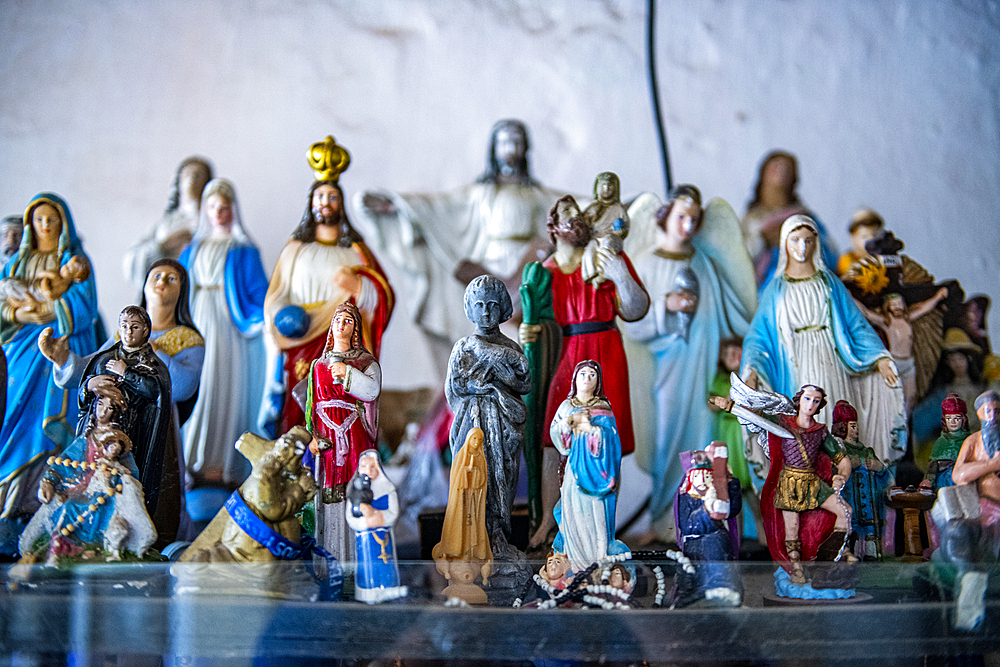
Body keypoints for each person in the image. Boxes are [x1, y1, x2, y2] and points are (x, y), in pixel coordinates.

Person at [355, 119, 561, 374]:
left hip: (525, 271)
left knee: (525, 338)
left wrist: (614, 205)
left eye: (517, 141)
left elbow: (572, 207)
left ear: (526, 147)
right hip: (489, 268)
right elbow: (441, 208)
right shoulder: (480, 193)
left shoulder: (537, 195)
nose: (511, 148)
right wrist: (400, 207)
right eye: (505, 142)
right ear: (494, 149)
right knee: (482, 337)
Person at [623, 185, 755, 541]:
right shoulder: (648, 263)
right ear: (665, 217)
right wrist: (666, 308)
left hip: (702, 362)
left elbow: (723, 310)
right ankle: (662, 518)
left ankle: (700, 518)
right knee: (667, 435)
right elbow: (631, 323)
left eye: (694, 219)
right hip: (668, 363)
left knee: (706, 439)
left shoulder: (702, 263)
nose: (687, 226)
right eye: (681, 217)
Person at [521, 195, 648, 547]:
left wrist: (620, 274)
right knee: (553, 437)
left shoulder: (604, 260)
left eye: (580, 214)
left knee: (607, 436)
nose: (576, 220)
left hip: (605, 348)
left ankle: (605, 521)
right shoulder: (544, 273)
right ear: (554, 226)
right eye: (567, 215)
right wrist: (527, 332)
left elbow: (636, 308)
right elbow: (528, 314)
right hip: (566, 350)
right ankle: (549, 518)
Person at [741, 214, 906, 465]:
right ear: (785, 243)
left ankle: (843, 478)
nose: (802, 247)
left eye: (808, 240)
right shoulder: (776, 289)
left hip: (831, 359)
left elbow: (855, 325)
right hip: (795, 364)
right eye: (795, 240)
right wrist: (752, 369)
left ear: (816, 243)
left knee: (832, 417)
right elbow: (759, 337)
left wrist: (879, 357)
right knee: (803, 426)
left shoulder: (829, 283)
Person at [263, 146, 393, 434]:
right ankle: (297, 460)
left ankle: (338, 458)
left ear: (341, 204)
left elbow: (383, 296)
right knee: (300, 399)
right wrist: (283, 315)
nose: (326, 202)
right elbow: (277, 293)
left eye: (332, 197)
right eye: (320, 196)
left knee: (338, 401)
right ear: (311, 203)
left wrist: (360, 286)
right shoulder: (295, 250)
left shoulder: (357, 252)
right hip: (301, 338)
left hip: (342, 341)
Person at [0, 193, 101, 541]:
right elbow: (1, 306)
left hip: (62, 343)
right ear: (31, 225)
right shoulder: (15, 264)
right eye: (39, 220)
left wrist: (49, 313)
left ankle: (56, 499)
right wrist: (20, 314)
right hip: (22, 351)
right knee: (15, 414)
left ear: (63, 224)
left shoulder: (76, 260)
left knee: (60, 415)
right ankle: (13, 500)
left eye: (52, 220)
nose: (45, 226)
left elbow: (86, 307)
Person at [713, 385, 855, 585]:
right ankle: (796, 568)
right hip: (790, 482)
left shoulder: (820, 431)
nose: (811, 404)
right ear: (799, 401)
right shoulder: (782, 422)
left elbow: (843, 461)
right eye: (807, 399)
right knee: (792, 529)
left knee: (844, 511)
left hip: (813, 482)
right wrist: (729, 406)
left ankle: (832, 558)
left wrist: (841, 475)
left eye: (816, 401)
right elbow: (756, 417)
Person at [179, 178, 268, 491]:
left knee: (220, 385)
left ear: (233, 209)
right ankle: (189, 460)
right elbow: (177, 284)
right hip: (194, 319)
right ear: (206, 210)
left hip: (227, 325)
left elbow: (259, 292)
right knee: (195, 385)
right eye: (213, 207)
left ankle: (221, 461)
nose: (218, 212)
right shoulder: (193, 249)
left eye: (224, 207)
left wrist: (264, 316)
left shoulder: (243, 250)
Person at [447, 275, 531, 566]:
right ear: (469, 308)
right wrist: (484, 385)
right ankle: (472, 542)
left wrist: (502, 378)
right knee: (473, 479)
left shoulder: (513, 347)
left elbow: (524, 383)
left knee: (502, 479)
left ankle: (498, 539)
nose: (485, 312)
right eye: (479, 305)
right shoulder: (463, 347)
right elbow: (455, 388)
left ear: (504, 308)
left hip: (504, 424)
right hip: (472, 425)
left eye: (493, 305)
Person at [76, 306, 175, 544]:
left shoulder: (152, 365)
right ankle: (92, 532)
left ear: (146, 331)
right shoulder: (103, 359)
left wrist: (126, 373)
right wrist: (90, 385)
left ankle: (125, 536)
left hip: (133, 438)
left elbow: (155, 391)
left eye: (135, 327)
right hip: (98, 434)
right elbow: (82, 399)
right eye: (124, 327)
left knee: (126, 486)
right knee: (94, 482)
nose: (128, 332)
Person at [303, 302, 381, 561]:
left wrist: (348, 373)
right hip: (326, 439)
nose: (341, 324)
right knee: (326, 497)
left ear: (356, 328)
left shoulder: (366, 362)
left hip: (352, 434)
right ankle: (327, 564)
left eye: (348, 320)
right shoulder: (317, 366)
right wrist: (312, 436)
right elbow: (311, 406)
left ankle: (355, 566)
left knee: (354, 492)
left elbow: (371, 391)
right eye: (337, 319)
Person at [549, 360, 629, 572]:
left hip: (597, 472)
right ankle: (575, 564)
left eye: (592, 375)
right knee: (572, 512)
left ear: (598, 382)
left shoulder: (603, 408)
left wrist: (593, 432)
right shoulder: (567, 407)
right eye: (582, 374)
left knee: (595, 514)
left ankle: (598, 561)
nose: (586, 378)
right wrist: (571, 423)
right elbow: (556, 435)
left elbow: (612, 440)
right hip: (574, 471)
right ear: (574, 379)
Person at [740, 151, 837, 289]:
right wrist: (763, 240)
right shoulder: (751, 220)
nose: (780, 171)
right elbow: (739, 260)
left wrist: (799, 239)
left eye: (786, 168)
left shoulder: (804, 217)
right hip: (763, 291)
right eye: (775, 165)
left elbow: (830, 255)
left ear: (793, 179)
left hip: (801, 287)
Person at [123, 156, 213, 290]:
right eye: (188, 174)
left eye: (198, 175)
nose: (192, 179)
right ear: (179, 181)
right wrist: (162, 247)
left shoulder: (213, 221)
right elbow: (131, 261)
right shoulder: (165, 223)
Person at [854, 289, 949, 413]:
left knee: (910, 397)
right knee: (893, 395)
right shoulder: (886, 321)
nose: (897, 307)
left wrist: (937, 297)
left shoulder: (907, 319)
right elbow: (865, 312)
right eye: (894, 304)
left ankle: (905, 424)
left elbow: (924, 309)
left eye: (900, 304)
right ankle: (894, 423)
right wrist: (850, 296)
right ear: (888, 307)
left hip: (909, 363)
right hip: (895, 362)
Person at [831, 400, 891, 560]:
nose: (856, 429)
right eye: (852, 426)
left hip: (870, 506)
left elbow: (886, 477)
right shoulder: (837, 449)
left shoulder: (867, 451)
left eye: (856, 426)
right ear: (842, 427)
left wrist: (879, 468)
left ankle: (872, 555)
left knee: (870, 534)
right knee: (851, 532)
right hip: (850, 500)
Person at [344, 450, 406, 603]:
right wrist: (365, 522)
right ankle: (368, 592)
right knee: (367, 566)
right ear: (359, 469)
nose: (369, 471)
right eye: (364, 467)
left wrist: (376, 516)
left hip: (384, 536)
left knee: (385, 566)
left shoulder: (388, 488)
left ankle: (387, 589)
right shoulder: (355, 491)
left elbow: (393, 513)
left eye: (372, 467)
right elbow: (350, 518)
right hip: (365, 540)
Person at [921, 394, 972, 493]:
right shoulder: (940, 442)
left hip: (962, 480)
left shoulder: (969, 440)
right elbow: (933, 465)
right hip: (943, 482)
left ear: (963, 419)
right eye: (949, 418)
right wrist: (928, 480)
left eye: (957, 418)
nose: (952, 422)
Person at [836, 208, 884, 277]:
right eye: (865, 236)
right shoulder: (847, 259)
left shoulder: (883, 258)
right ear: (853, 237)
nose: (871, 240)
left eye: (875, 236)